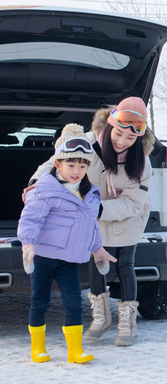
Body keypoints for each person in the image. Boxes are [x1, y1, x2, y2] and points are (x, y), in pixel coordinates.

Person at [26, 97, 154, 347]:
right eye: (118, 133)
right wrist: (34, 183)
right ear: (109, 124)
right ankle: (101, 318)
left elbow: (133, 203)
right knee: (95, 263)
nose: (122, 142)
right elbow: (55, 162)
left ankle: (127, 321)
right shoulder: (86, 142)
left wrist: (96, 209)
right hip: (90, 212)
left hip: (124, 215)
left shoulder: (142, 161)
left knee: (124, 264)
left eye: (131, 138)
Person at [19, 124, 116, 363]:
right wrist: (27, 244)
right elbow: (31, 218)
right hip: (43, 257)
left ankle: (75, 351)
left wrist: (98, 249)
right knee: (40, 301)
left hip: (70, 260)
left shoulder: (90, 194)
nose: (77, 171)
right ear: (58, 165)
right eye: (71, 165)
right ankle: (38, 348)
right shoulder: (46, 189)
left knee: (74, 303)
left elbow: (90, 226)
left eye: (82, 166)